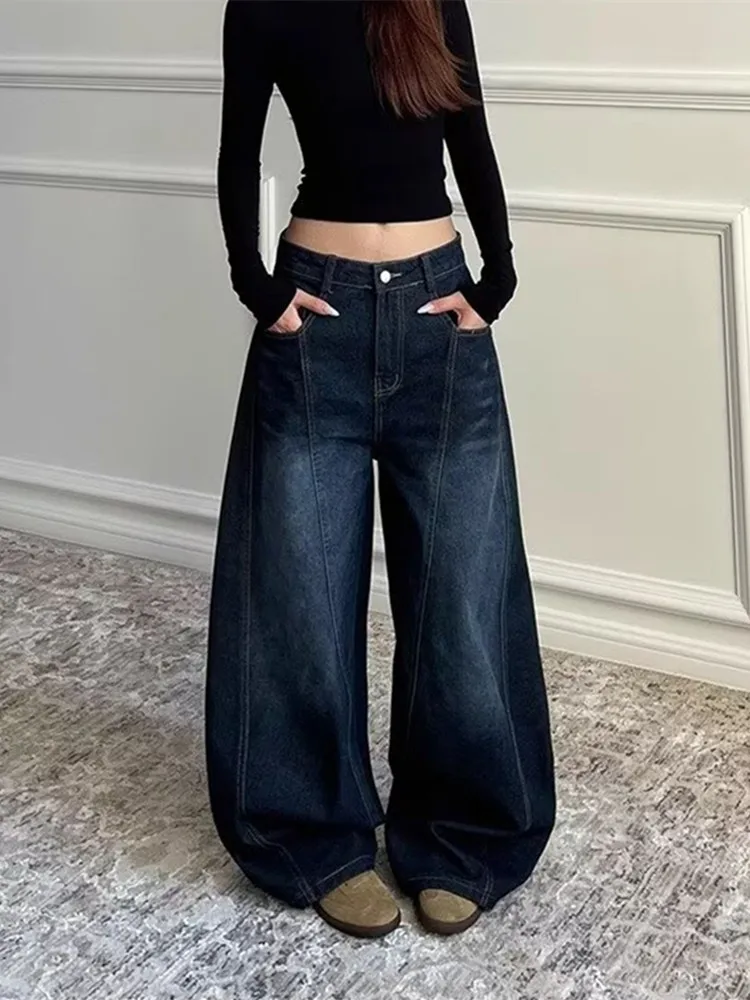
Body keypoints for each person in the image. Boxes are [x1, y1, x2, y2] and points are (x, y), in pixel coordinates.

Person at [204, 0, 556, 939]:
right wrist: (257, 287)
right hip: (315, 320)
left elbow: (468, 132)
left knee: (462, 596)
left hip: (438, 314)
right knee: (300, 597)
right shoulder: (262, 3)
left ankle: (462, 835)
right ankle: (314, 836)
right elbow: (238, 148)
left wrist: (497, 275)